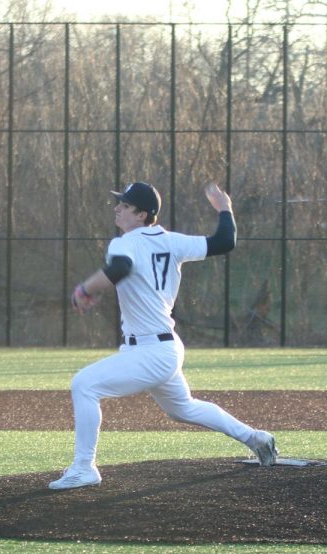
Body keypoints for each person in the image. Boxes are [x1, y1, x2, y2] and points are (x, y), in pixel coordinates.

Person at [49, 181, 277, 490]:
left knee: (84, 385)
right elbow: (225, 241)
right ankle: (256, 438)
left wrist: (85, 289)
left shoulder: (124, 242)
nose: (118, 208)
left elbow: (121, 267)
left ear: (143, 215)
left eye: (126, 206)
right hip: (161, 349)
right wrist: (224, 209)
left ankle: (83, 468)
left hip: (150, 352)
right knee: (183, 408)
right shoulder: (174, 241)